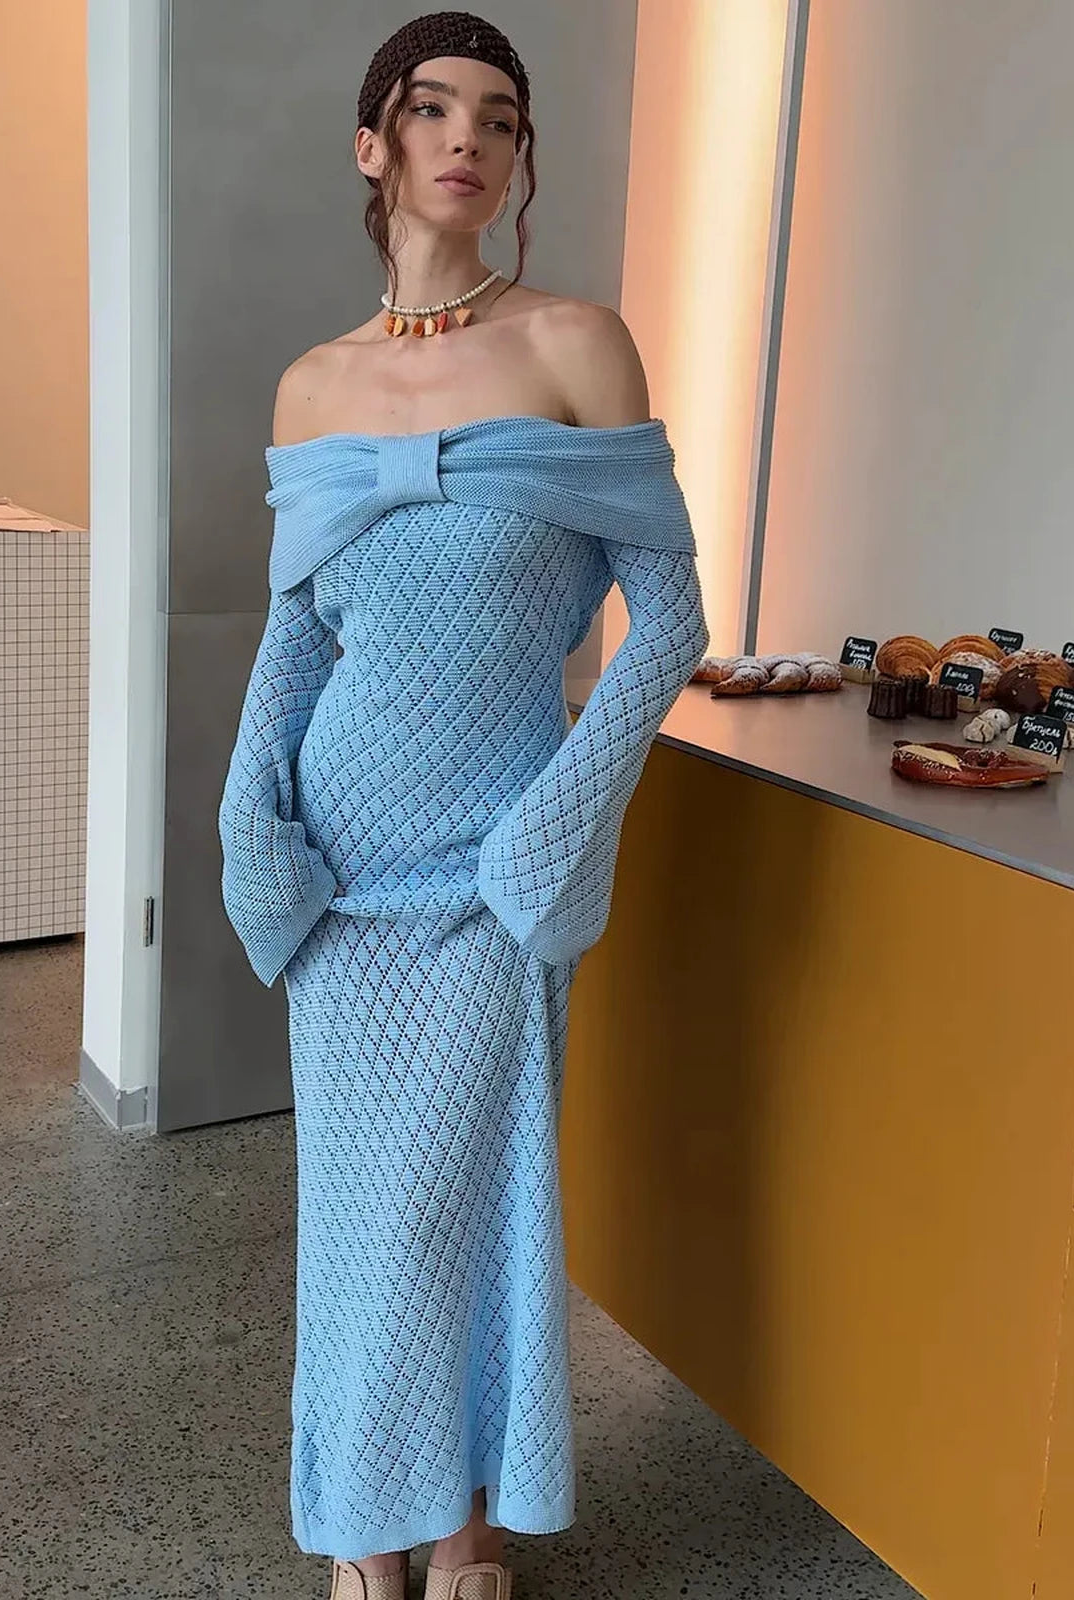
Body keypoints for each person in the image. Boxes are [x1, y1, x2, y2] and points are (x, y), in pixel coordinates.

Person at [217, 12, 710, 1599]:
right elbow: (301, 633)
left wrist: (550, 833)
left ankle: (467, 1525)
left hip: (495, 876)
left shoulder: (576, 347)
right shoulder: (313, 387)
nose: (468, 141)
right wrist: (249, 818)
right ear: (373, 147)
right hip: (342, 882)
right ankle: (369, 1533)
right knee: (361, 1216)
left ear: (517, 158)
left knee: (468, 1209)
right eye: (432, 111)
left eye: (499, 119)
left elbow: (671, 624)